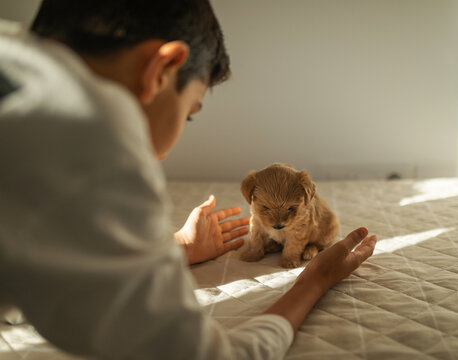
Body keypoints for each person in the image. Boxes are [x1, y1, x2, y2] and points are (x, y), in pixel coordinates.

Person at [0, 1, 377, 359]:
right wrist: (314, 281)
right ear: (162, 69)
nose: (163, 154)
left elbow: (43, 268)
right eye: (190, 112)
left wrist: (175, 248)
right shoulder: (97, 139)